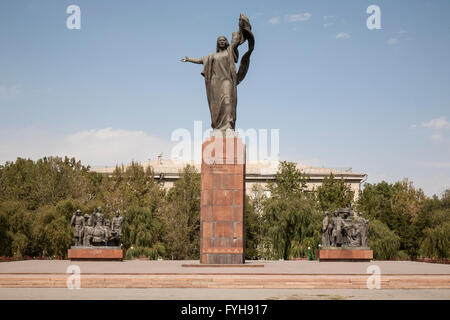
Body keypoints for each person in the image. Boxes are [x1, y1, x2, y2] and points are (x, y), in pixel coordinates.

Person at [181, 14, 254, 132]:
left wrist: (241, 26)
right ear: (217, 43)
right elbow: (200, 60)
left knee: (227, 100)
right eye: (219, 40)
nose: (222, 41)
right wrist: (189, 59)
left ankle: (229, 125)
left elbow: (238, 40)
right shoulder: (212, 56)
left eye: (224, 40)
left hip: (227, 80)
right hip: (215, 82)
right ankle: (218, 127)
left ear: (226, 42)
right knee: (216, 106)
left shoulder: (230, 51)